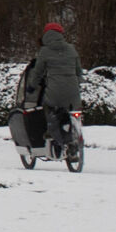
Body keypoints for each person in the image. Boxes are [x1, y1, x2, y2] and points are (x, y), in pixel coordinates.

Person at [26, 22, 84, 151]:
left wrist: (32, 86)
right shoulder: (71, 48)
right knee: (72, 110)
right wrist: (79, 83)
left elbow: (38, 72)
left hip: (55, 90)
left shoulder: (45, 51)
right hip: (73, 91)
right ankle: (74, 135)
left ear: (46, 35)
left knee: (49, 108)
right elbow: (79, 71)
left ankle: (51, 132)